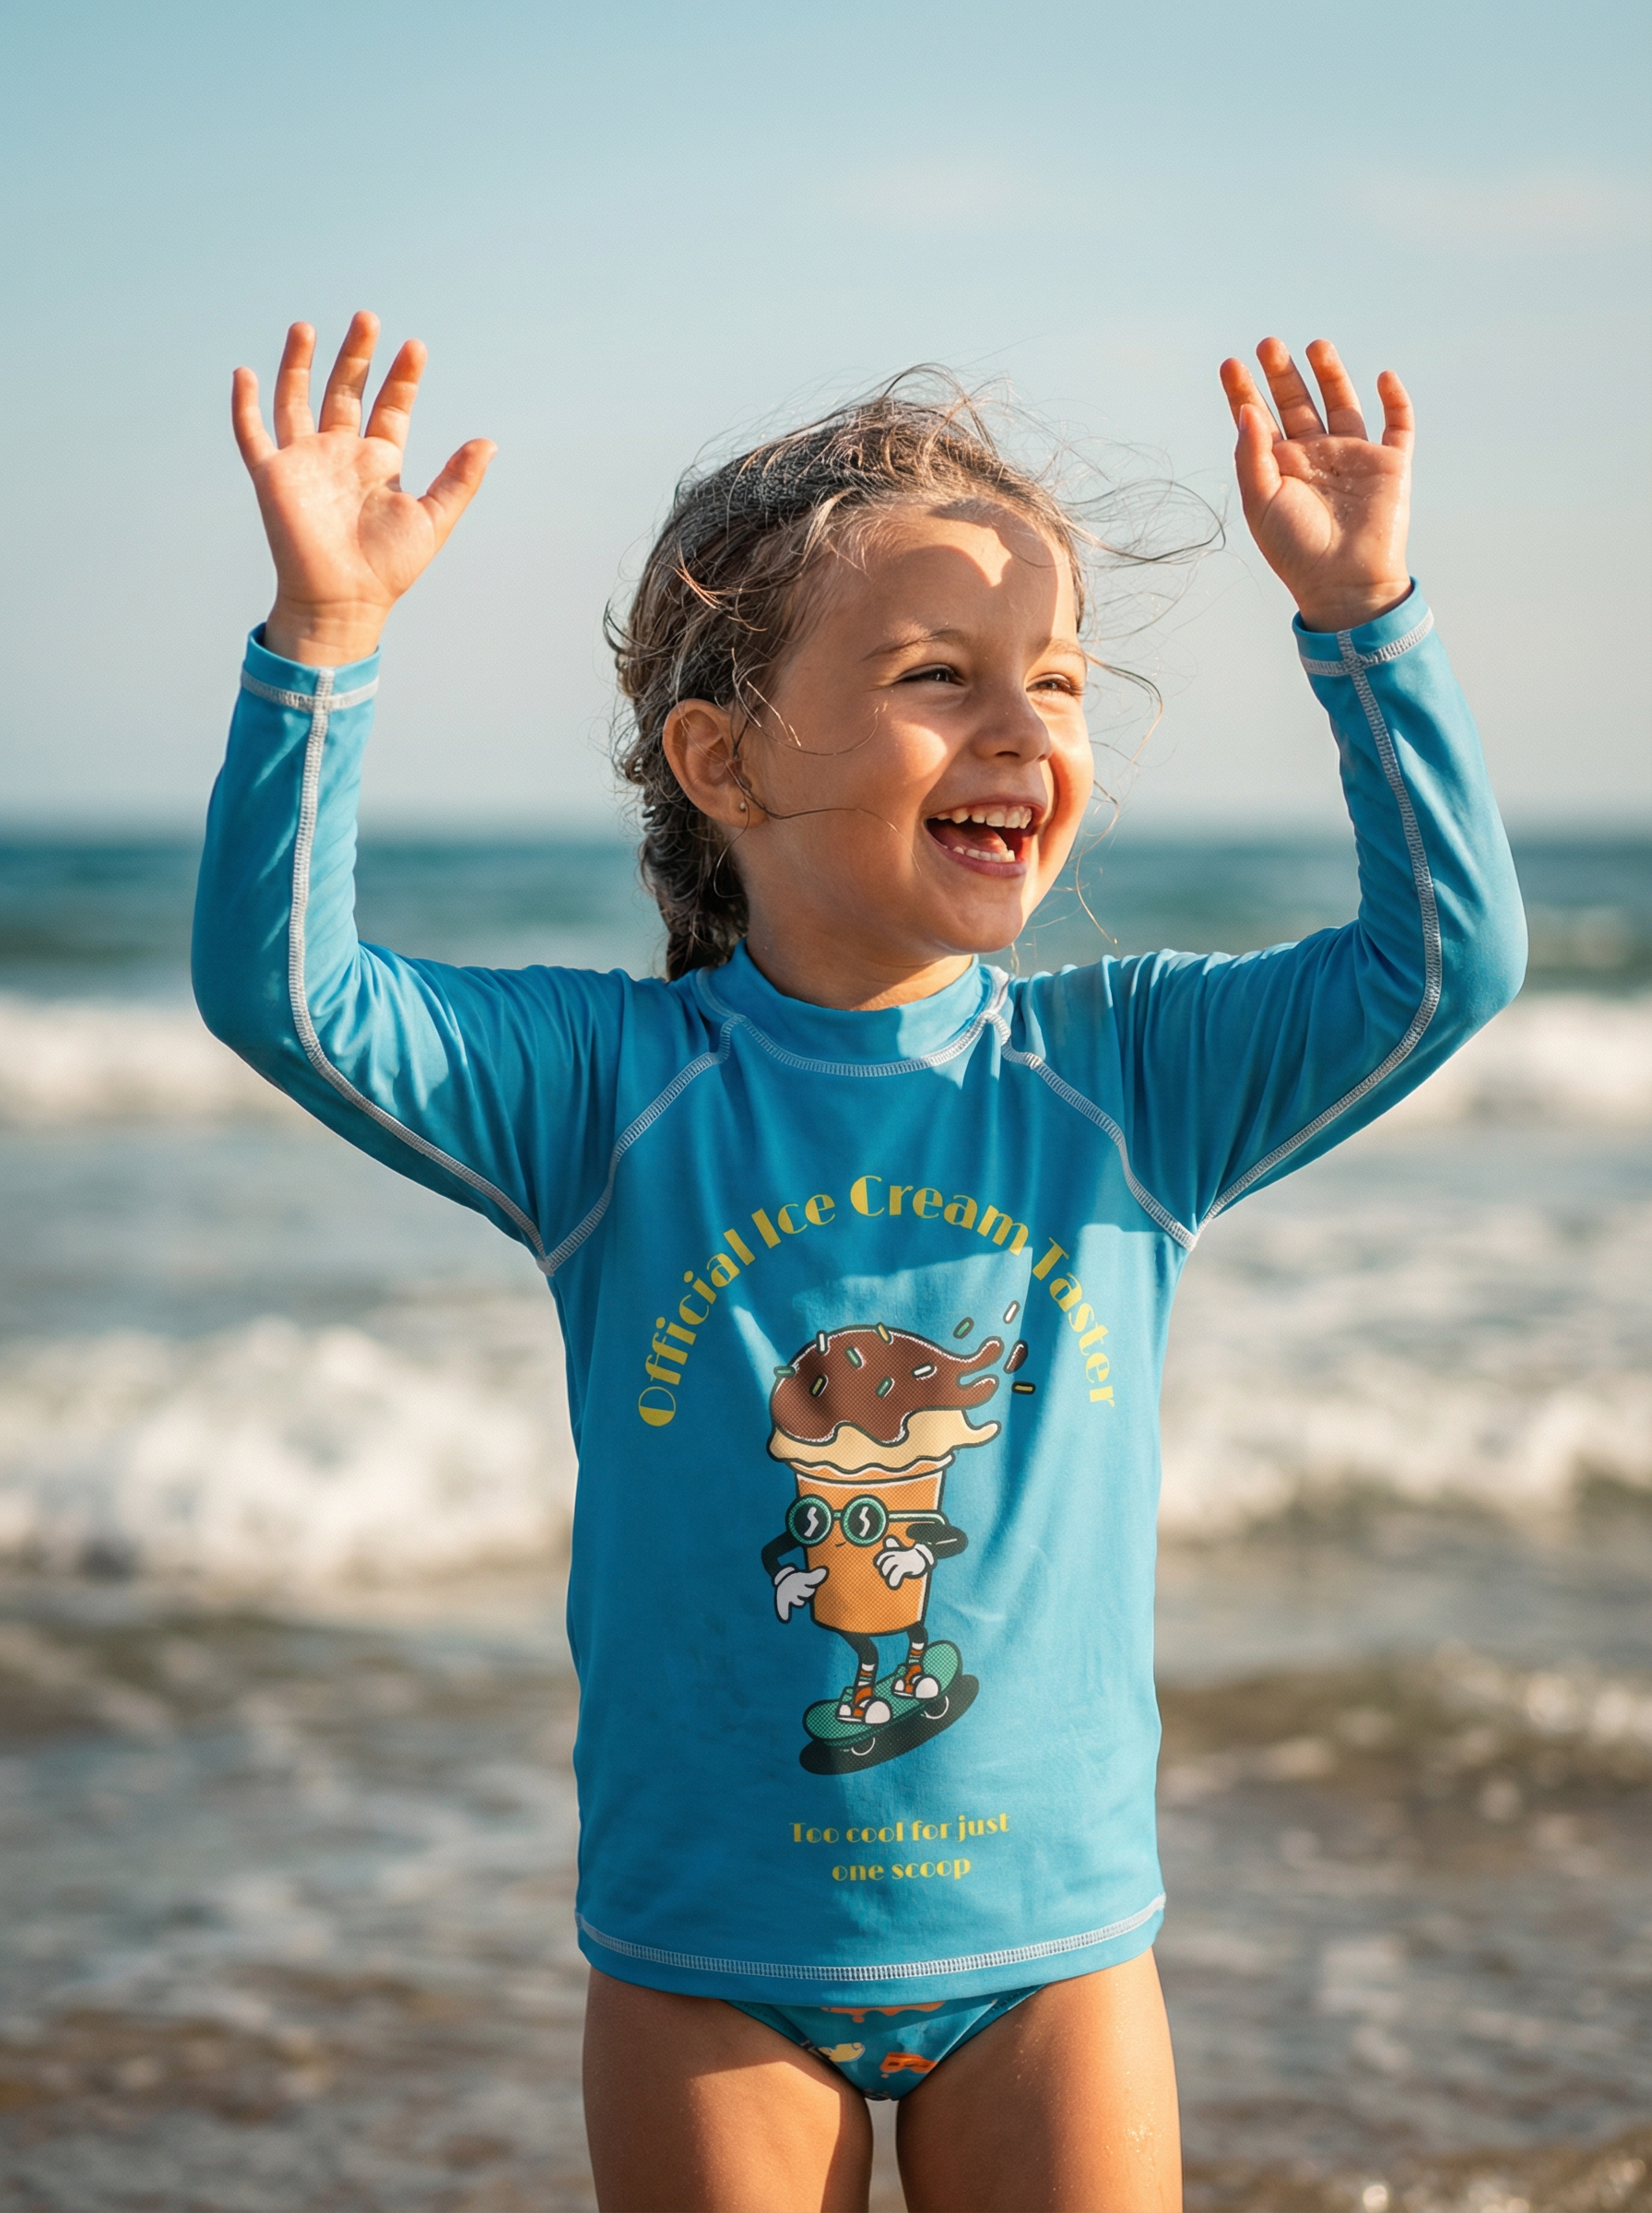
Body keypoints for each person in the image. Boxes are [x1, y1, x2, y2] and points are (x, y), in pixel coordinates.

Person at [195, 314, 1525, 2211]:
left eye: (1051, 680)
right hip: (710, 1964)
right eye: (933, 673)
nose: (1017, 729)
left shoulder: (1125, 1079)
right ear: (721, 760)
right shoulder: (612, 1094)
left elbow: (1441, 967)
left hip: (1051, 1949)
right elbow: (291, 995)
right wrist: (321, 644)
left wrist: (1363, 617)